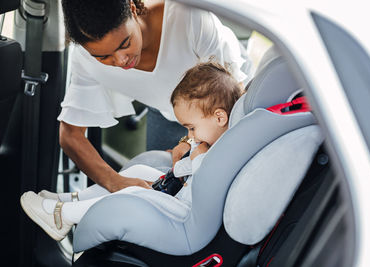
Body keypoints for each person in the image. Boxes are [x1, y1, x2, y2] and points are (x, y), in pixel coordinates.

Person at [20, 61, 244, 241]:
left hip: (185, 211)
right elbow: (186, 170)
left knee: (134, 193)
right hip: (180, 194)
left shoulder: (223, 151)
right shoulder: (210, 140)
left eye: (191, 128)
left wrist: (196, 160)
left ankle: (62, 218)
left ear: (219, 117)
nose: (191, 136)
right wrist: (183, 165)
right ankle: (68, 199)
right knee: (138, 171)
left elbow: (207, 183)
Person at [58, 0, 251, 193]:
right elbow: (70, 135)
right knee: (163, 184)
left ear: (133, 10)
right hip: (167, 110)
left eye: (124, 44)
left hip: (226, 98)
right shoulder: (85, 61)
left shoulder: (189, 17)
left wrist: (190, 142)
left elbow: (230, 100)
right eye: (102, 57)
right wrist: (113, 181)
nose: (120, 60)